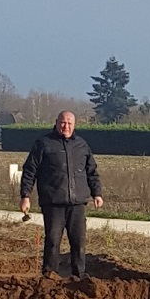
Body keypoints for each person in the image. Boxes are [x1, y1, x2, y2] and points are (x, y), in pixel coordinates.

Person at [18, 109, 103, 277]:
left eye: (70, 123)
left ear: (74, 125)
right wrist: (25, 196)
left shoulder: (82, 145)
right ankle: (50, 276)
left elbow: (91, 171)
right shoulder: (43, 144)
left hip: (77, 203)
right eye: (63, 122)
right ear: (57, 123)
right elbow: (30, 171)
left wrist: (97, 193)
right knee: (53, 241)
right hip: (53, 203)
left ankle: (79, 276)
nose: (66, 126)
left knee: (78, 243)